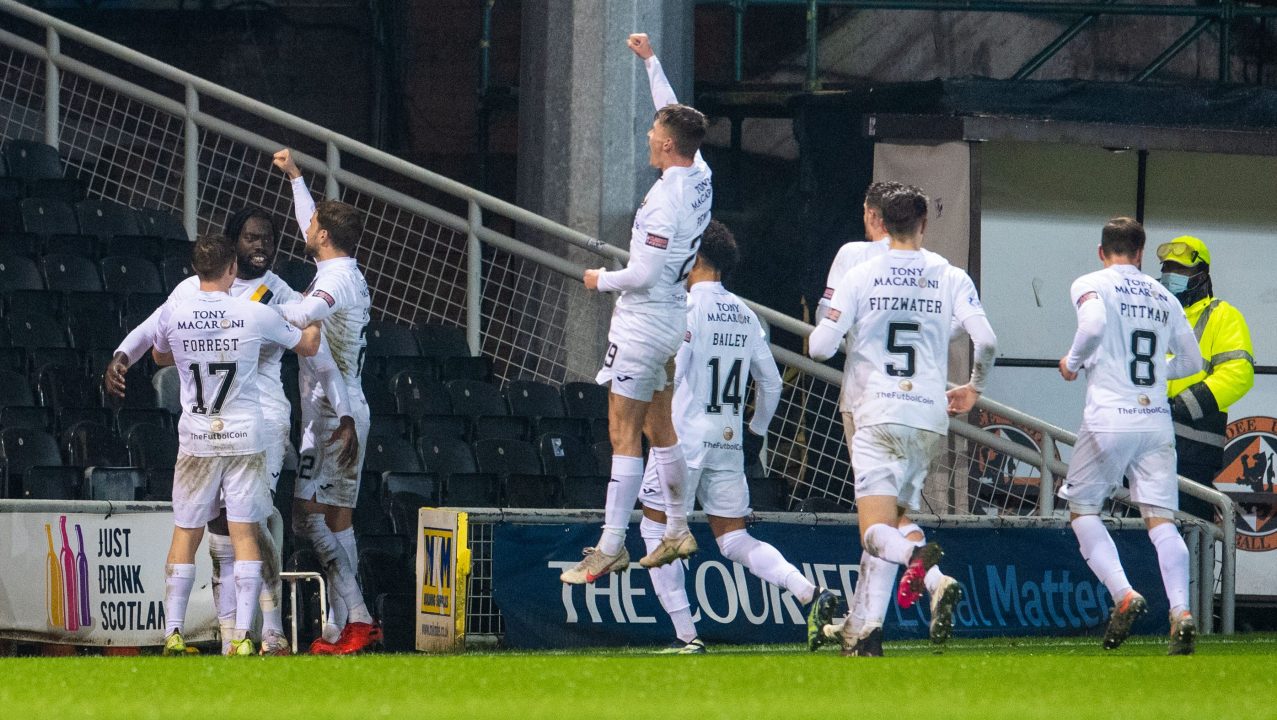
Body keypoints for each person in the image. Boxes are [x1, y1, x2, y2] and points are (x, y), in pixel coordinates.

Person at [107, 210, 356, 655]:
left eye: (268, 239)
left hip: (262, 419)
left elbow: (157, 344)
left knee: (245, 524)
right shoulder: (240, 303)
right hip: (242, 426)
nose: (261, 244)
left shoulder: (272, 290)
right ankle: (234, 634)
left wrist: (343, 410)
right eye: (251, 237)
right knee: (232, 529)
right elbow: (311, 345)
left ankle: (270, 628)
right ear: (232, 252)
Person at [808, 185, 996, 656]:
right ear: (924, 224)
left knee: (874, 532)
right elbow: (986, 339)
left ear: (880, 222)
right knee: (899, 518)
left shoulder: (860, 270)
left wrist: (847, 327)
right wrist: (973, 386)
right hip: (929, 417)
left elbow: (819, 347)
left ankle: (925, 572)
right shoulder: (949, 274)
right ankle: (867, 631)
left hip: (875, 409)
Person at [637, 220, 837, 653]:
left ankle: (687, 636)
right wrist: (755, 432)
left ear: (694, 258)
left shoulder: (685, 308)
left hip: (683, 440)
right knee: (734, 539)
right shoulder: (746, 314)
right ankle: (810, 593)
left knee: (656, 534)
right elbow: (773, 384)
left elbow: (677, 367)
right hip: (728, 441)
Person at [560, 32, 712, 583]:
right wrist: (651, 62)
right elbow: (669, 111)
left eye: (654, 132)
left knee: (623, 432)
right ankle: (676, 528)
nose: (649, 133)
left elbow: (643, 273)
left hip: (644, 320)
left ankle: (610, 545)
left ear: (668, 146)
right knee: (660, 426)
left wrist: (601, 279)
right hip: (675, 317)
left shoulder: (665, 200)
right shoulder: (700, 176)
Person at [152, 235, 320, 656]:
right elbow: (308, 344)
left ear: (196, 270)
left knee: (186, 533)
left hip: (197, 440)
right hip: (244, 437)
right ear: (231, 270)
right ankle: (243, 637)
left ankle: (173, 634)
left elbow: (158, 357)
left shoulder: (174, 314)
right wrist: (314, 310)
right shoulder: (253, 312)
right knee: (245, 533)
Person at [1057, 217, 1204, 655]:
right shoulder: (1162, 295)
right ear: (1140, 253)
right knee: (1162, 521)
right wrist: (1157, 373)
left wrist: (1072, 361)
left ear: (1102, 252)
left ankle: (1124, 593)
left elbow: (1094, 325)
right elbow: (1193, 362)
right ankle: (1181, 611)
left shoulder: (1091, 282)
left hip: (1109, 418)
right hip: (1155, 418)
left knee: (1083, 511)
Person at [273, 149, 376, 654]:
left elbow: (308, 311)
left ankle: (357, 613)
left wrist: (271, 303)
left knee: (307, 514)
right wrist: (296, 179)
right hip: (341, 406)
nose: (305, 230)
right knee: (338, 518)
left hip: (335, 415)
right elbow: (308, 222)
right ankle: (341, 628)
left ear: (325, 236)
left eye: (313, 226)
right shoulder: (343, 266)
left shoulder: (334, 280)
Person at [1156, 235, 1254, 518]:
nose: (1171, 276)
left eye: (1181, 270)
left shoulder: (1222, 316)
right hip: (1143, 443)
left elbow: (1238, 373)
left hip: (1192, 452)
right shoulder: (1151, 315)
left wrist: (1183, 406)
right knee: (1136, 536)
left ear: (1201, 275)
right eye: (1167, 269)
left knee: (1189, 537)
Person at [815, 180, 905, 323]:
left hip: (864, 344)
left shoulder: (852, 253)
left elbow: (827, 316)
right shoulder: (929, 262)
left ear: (872, 215)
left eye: (864, 211)